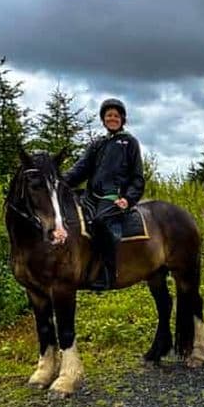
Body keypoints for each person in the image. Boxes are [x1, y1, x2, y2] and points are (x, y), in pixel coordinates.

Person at [63, 98, 145, 291]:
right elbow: (80, 169)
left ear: (122, 119)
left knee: (100, 222)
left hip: (114, 197)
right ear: (103, 119)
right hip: (91, 196)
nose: (112, 118)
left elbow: (137, 177)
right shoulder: (97, 144)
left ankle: (108, 273)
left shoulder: (129, 142)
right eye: (108, 115)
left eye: (116, 116)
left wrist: (129, 198)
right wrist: (59, 182)